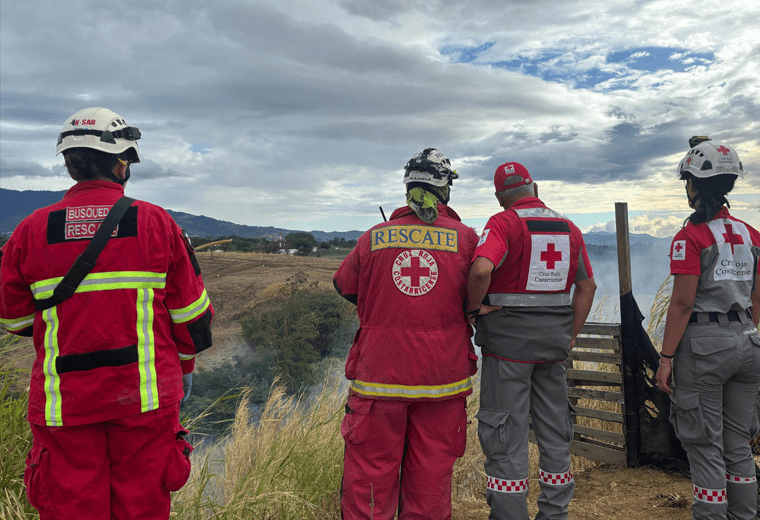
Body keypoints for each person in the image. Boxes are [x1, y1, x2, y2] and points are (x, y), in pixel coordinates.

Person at [0, 107, 214, 520]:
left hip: (64, 403)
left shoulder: (28, 230)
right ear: (121, 163)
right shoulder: (156, 223)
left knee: (70, 507)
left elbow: (15, 321)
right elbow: (192, 320)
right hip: (145, 398)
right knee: (143, 506)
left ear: (70, 164)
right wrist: (184, 368)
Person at [333, 148, 479, 520]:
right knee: (431, 480)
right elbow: (478, 296)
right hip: (442, 381)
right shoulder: (466, 240)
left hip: (379, 379)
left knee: (368, 480)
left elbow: (345, 285)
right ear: (445, 188)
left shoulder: (373, 237)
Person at [467, 162, 596, 520]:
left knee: (505, 435)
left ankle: (509, 514)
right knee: (555, 433)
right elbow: (587, 287)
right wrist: (570, 336)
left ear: (499, 197)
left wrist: (472, 311)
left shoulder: (503, 223)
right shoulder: (569, 228)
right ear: (534, 188)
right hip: (554, 351)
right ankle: (555, 513)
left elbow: (481, 269)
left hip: (507, 352)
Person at [655, 139, 760, 520]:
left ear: (694, 184)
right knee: (738, 444)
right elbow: (758, 298)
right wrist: (744, 332)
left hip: (704, 347)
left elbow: (682, 304)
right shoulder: (752, 235)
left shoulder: (690, 237)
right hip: (748, 341)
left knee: (703, 444)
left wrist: (666, 358)